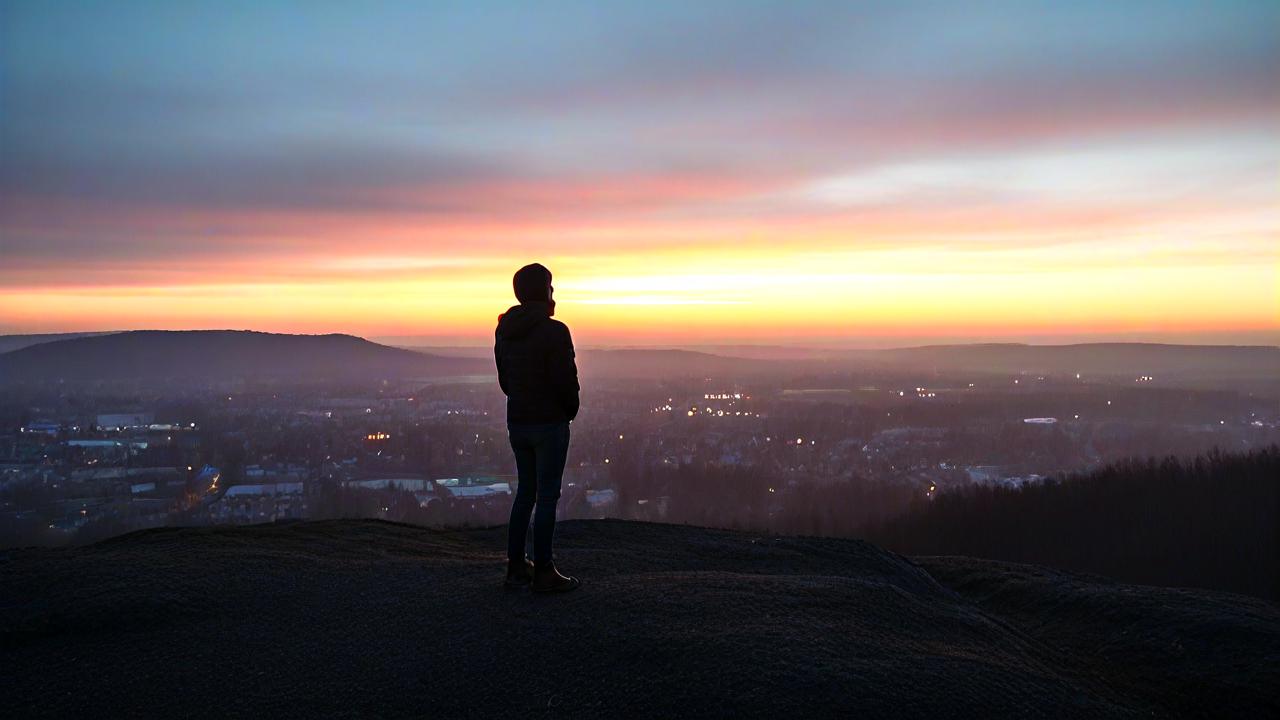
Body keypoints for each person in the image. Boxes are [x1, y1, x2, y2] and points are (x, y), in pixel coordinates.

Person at [494, 263, 582, 593]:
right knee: (547, 496)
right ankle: (544, 570)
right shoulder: (554, 331)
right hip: (549, 424)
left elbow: (505, 382)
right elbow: (565, 381)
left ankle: (516, 567)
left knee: (525, 493)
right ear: (542, 291)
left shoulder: (504, 330)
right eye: (550, 286)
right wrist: (569, 410)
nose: (554, 292)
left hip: (518, 421)